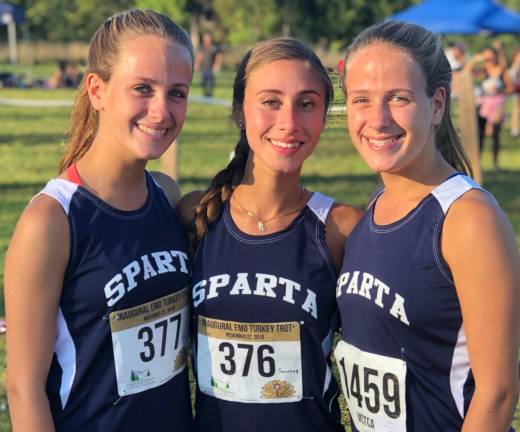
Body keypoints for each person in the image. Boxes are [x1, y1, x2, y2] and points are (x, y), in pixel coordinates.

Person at [5, 9, 194, 431]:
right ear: (97, 89)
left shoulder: (166, 195)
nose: (161, 111)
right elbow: (23, 388)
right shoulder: (51, 220)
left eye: (177, 93)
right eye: (142, 89)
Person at [335, 21, 520, 432]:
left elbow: (498, 392)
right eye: (361, 100)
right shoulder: (378, 205)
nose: (378, 119)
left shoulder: (468, 218)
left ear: (436, 105)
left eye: (398, 99)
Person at [177, 37, 362, 431]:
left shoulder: (341, 229)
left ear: (324, 115)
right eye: (270, 101)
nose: (289, 122)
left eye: (306, 104)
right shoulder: (193, 214)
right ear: (240, 111)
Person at [465, 43, 509, 172]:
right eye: (486, 56)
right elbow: (466, 71)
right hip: (482, 106)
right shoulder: (482, 70)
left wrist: (500, 90)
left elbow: (509, 87)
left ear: (496, 56)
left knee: (495, 135)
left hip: (497, 106)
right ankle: (477, 164)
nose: (489, 58)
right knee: (480, 135)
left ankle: (495, 164)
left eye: (491, 56)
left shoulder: (501, 69)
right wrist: (474, 59)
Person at [194, 32, 222, 98]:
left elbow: (219, 56)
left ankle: (209, 94)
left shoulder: (214, 47)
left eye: (208, 38)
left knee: (210, 82)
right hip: (204, 68)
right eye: (205, 38)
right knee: (203, 82)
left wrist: (217, 65)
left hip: (211, 67)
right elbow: (199, 56)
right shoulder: (202, 47)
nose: (206, 39)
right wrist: (197, 64)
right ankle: (205, 95)